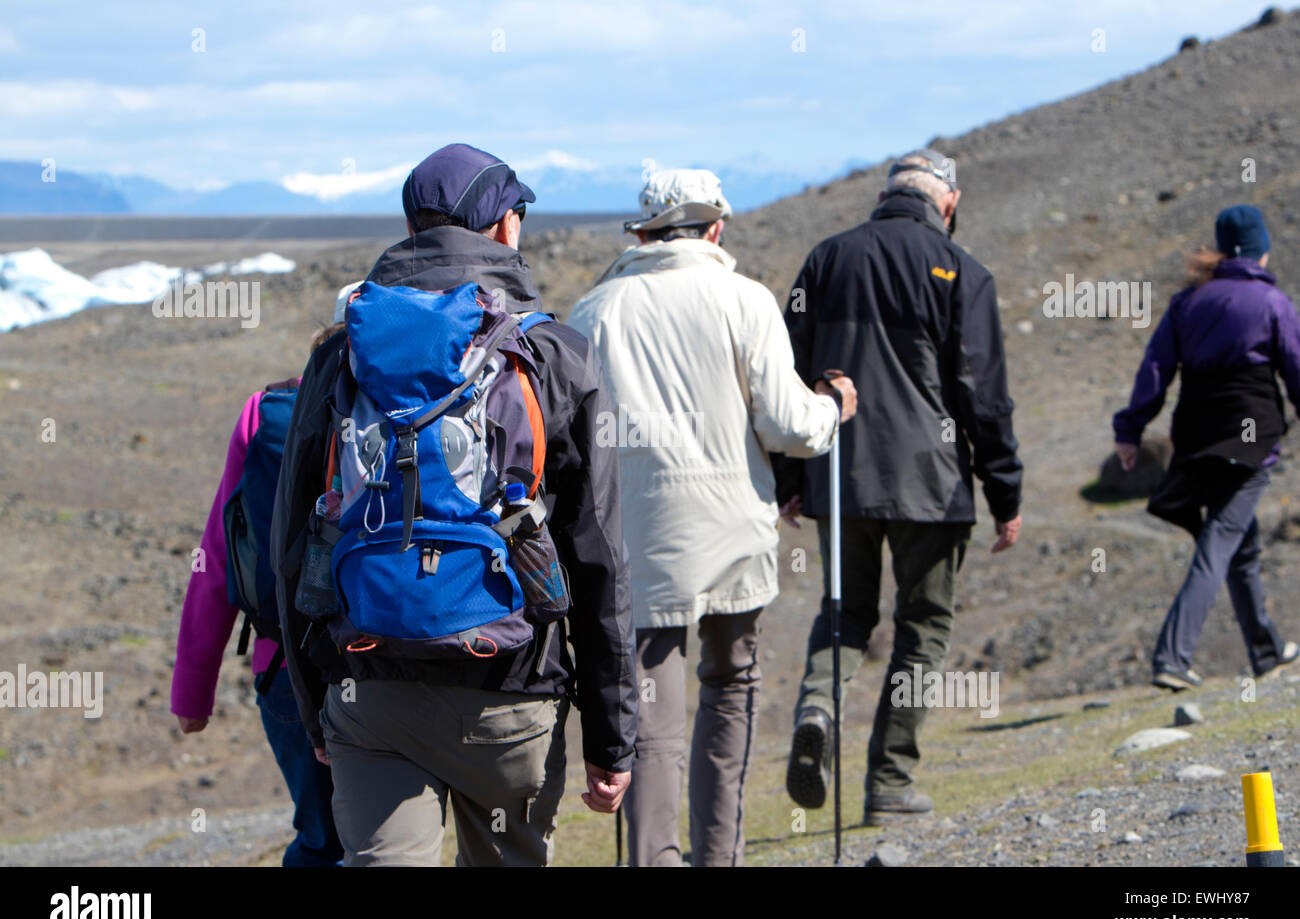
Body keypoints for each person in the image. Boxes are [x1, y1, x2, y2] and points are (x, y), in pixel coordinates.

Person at [269, 143, 638, 866]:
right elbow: (598, 559)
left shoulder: (341, 354)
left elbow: (295, 544)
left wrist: (313, 703)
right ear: (504, 226)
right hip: (509, 696)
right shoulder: (557, 354)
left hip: (367, 690)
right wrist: (612, 735)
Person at [568, 168, 857, 866]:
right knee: (730, 689)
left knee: (650, 717)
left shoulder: (594, 312)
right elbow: (788, 425)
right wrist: (833, 409)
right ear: (716, 227)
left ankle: (654, 859)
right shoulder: (746, 300)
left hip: (636, 540)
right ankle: (717, 856)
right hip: (732, 533)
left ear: (640, 234)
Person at [778, 148, 1023, 826]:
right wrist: (1005, 493)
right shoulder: (962, 272)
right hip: (932, 486)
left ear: (889, 195)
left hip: (840, 472)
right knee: (923, 628)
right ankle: (889, 781)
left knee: (844, 613)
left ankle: (819, 708)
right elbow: (984, 396)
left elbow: (788, 375)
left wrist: (790, 478)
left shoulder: (825, 260)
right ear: (947, 201)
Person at [170, 297, 355, 867]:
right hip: (398, 660)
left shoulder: (268, 412)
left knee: (323, 840)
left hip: (286, 666)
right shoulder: (427, 406)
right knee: (398, 840)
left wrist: (192, 692)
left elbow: (220, 555)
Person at [1114, 204, 1300, 690]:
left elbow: (1154, 371)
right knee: (1221, 537)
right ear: (1262, 251)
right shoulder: (1271, 302)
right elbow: (1297, 370)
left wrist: (1130, 430)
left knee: (1240, 542)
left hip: (1196, 435)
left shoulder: (1187, 302)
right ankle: (1172, 657)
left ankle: (1265, 649)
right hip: (1249, 436)